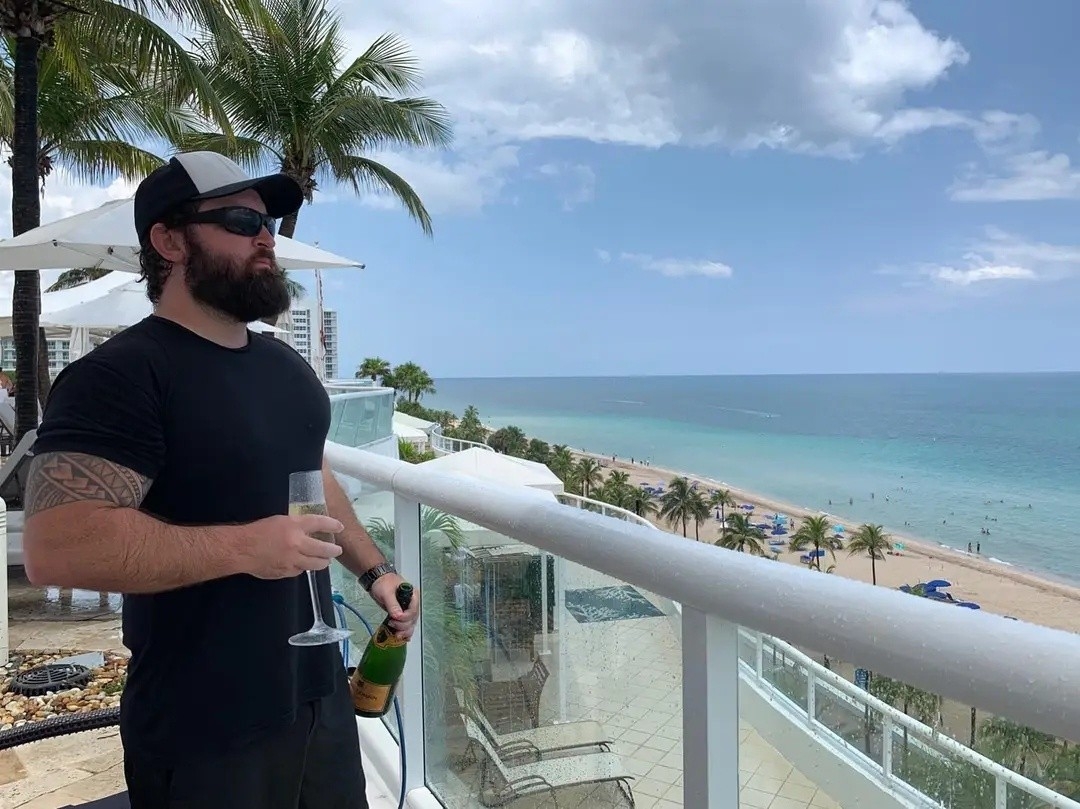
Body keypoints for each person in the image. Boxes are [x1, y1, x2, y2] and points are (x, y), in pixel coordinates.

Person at [21, 151, 419, 809]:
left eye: (271, 224)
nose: (267, 238)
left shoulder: (284, 367)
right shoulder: (119, 376)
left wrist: (375, 571)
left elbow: (310, 471)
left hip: (317, 692)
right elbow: (57, 547)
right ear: (169, 240)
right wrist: (242, 547)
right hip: (205, 721)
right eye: (240, 221)